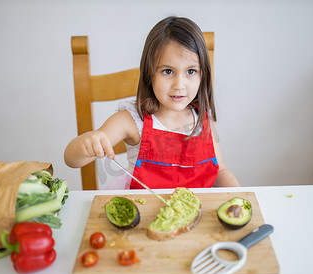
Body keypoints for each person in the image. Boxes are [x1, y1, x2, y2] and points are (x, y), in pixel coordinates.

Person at [64, 16, 240, 189]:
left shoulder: (203, 117)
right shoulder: (131, 120)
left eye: (191, 71)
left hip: (199, 214)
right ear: (149, 74)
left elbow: (221, 171)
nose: (179, 85)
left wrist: (240, 195)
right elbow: (71, 160)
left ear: (203, 75)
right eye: (168, 71)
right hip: (145, 213)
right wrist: (86, 144)